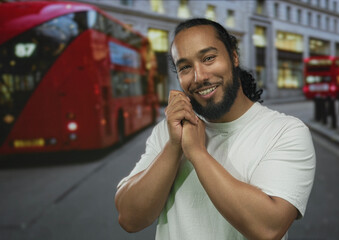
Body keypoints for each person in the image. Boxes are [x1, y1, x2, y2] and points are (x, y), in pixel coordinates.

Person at [115, 18, 316, 240]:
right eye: (185, 67)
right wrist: (174, 146)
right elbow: (130, 218)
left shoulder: (285, 132)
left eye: (209, 58)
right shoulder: (170, 131)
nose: (199, 76)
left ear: (234, 56)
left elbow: (268, 229)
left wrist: (197, 153)